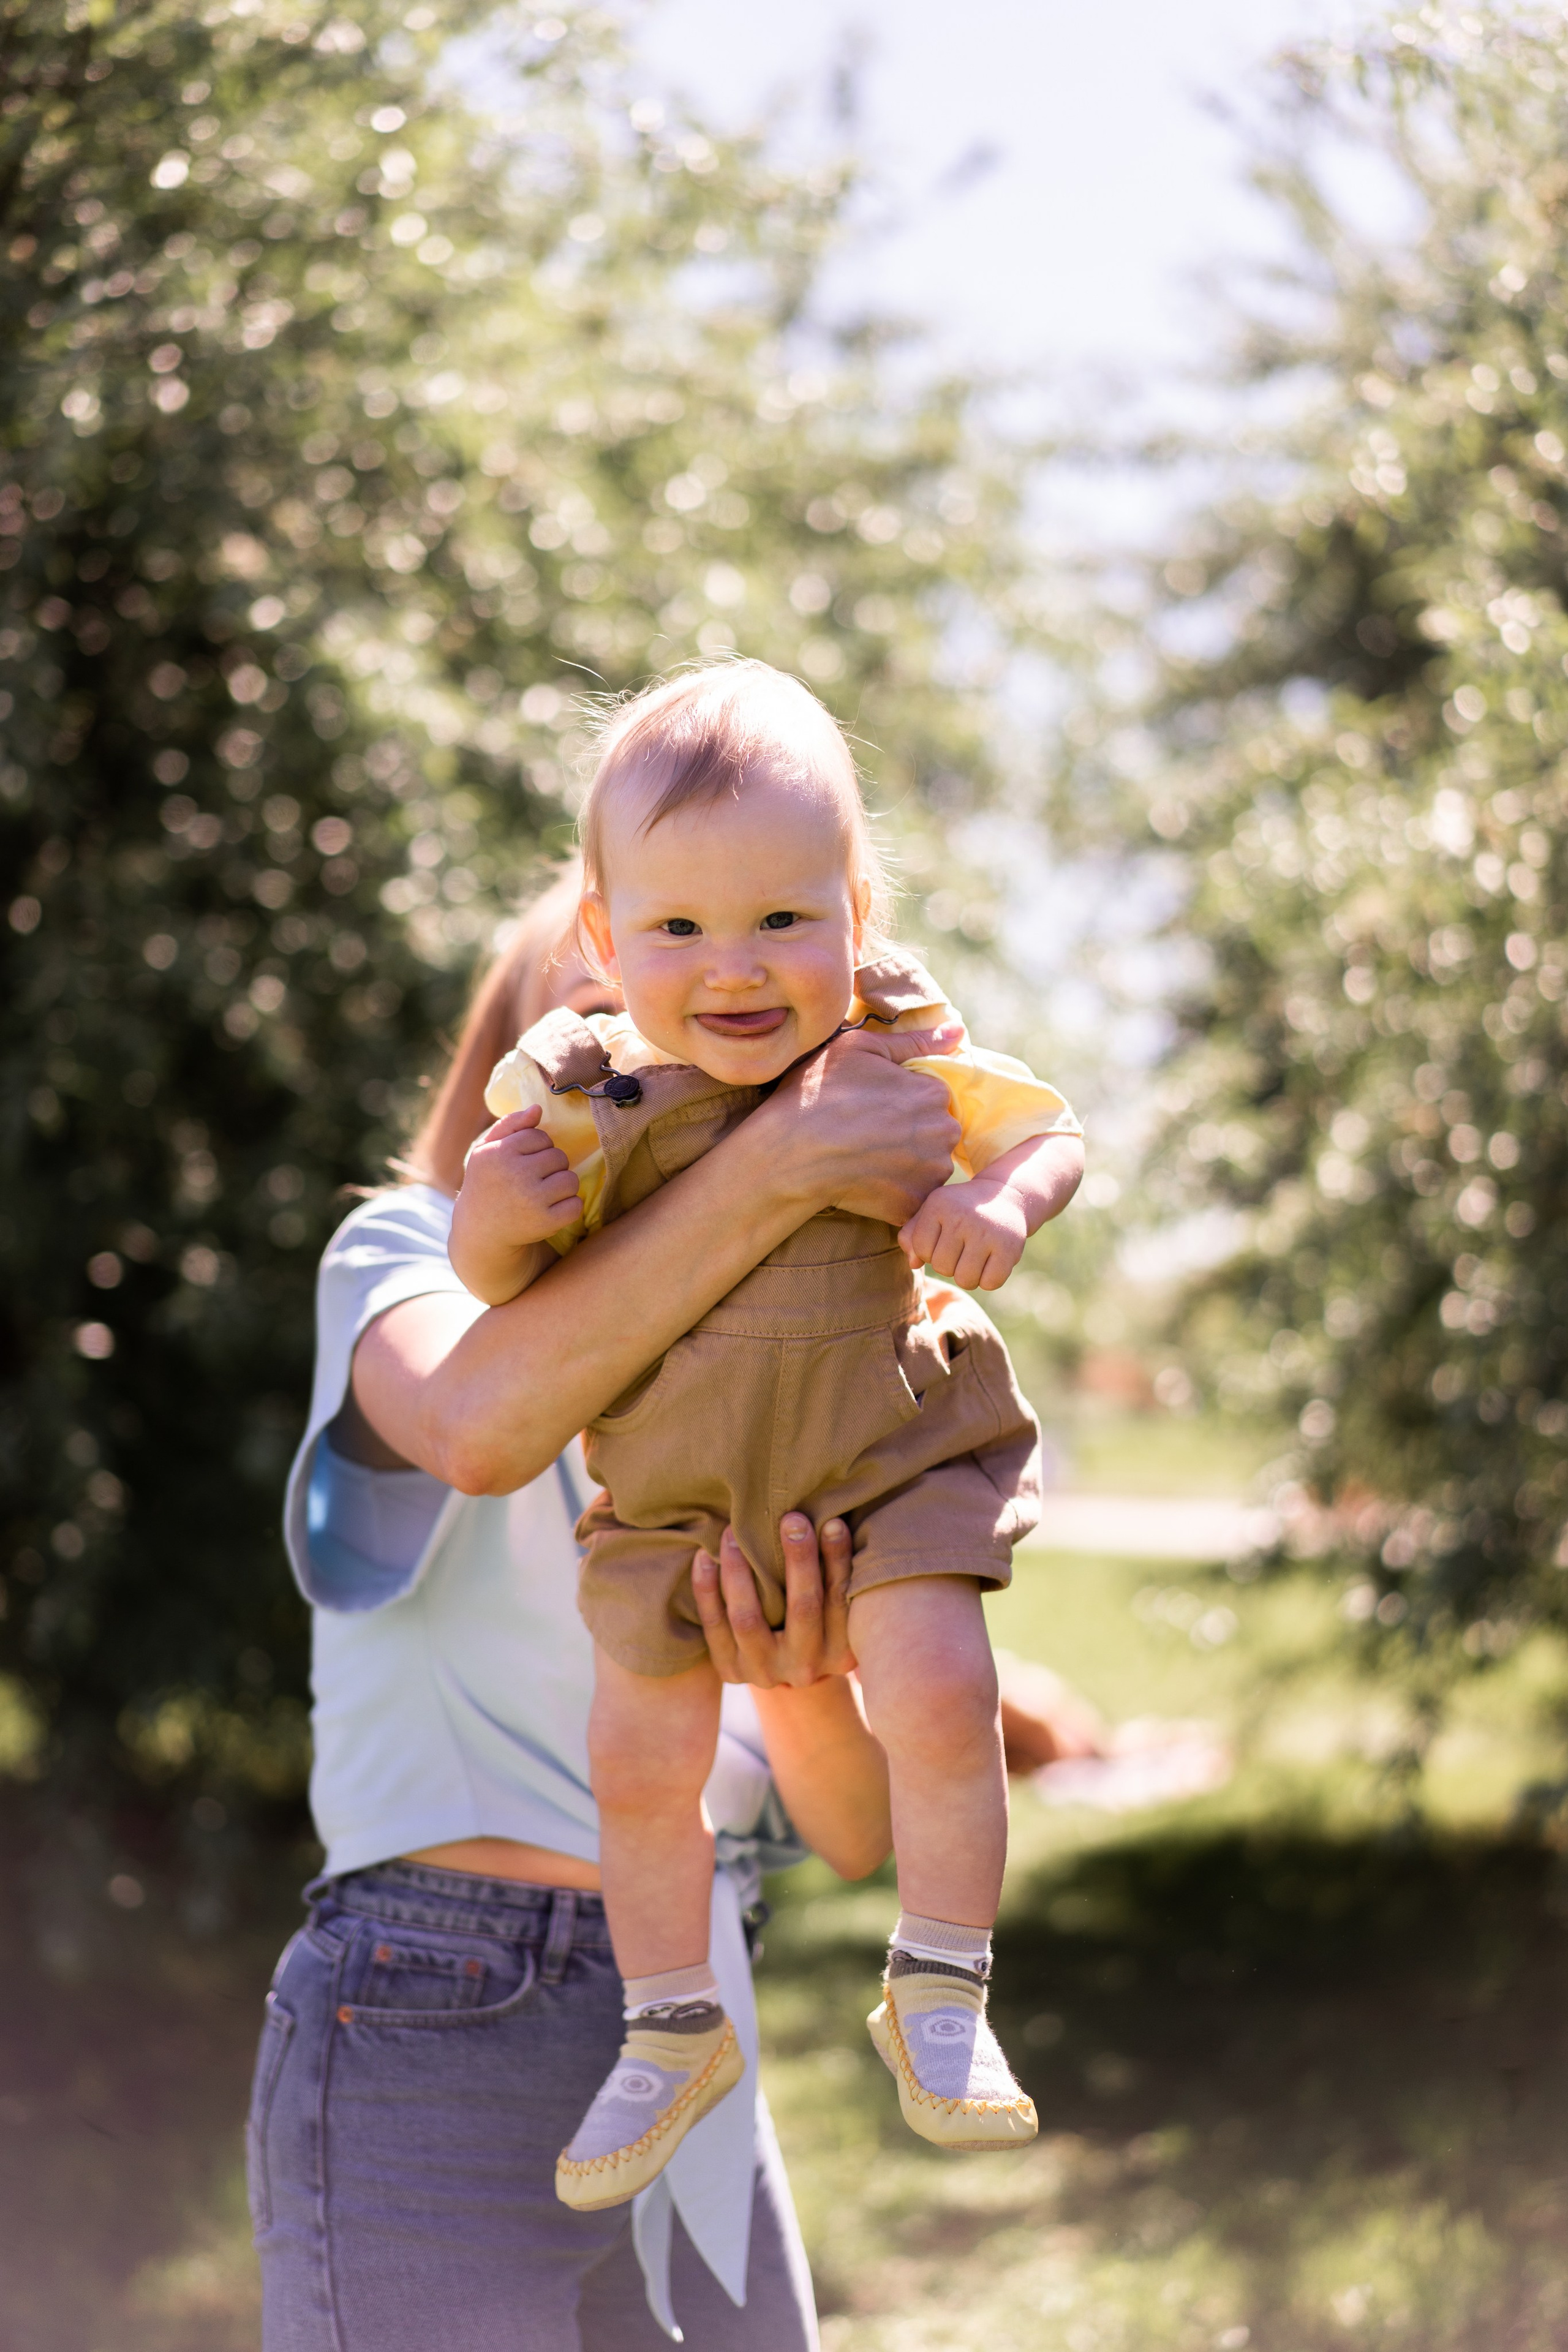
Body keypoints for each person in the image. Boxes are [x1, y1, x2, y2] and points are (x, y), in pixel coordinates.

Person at [249, 867, 971, 2351]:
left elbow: (849, 1831)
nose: (637, 1073)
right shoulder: (399, 1255)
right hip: (436, 1999)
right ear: (505, 1069)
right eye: (590, 1028)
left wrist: (792, 1668)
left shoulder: (797, 1357)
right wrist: (778, 1164)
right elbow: (475, 1429)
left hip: (682, 2013)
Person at [447, 665, 1085, 2209]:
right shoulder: (593, 1097)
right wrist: (486, 1223)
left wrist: (995, 1201)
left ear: (854, 915)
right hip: (679, 1496)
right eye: (676, 929)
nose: (732, 968)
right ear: (603, 942)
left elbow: (1047, 1128)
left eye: (782, 922)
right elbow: (507, 1305)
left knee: (939, 1685)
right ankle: (669, 2023)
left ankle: (940, 1988)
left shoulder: (889, 1046)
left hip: (884, 1449)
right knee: (640, 1751)